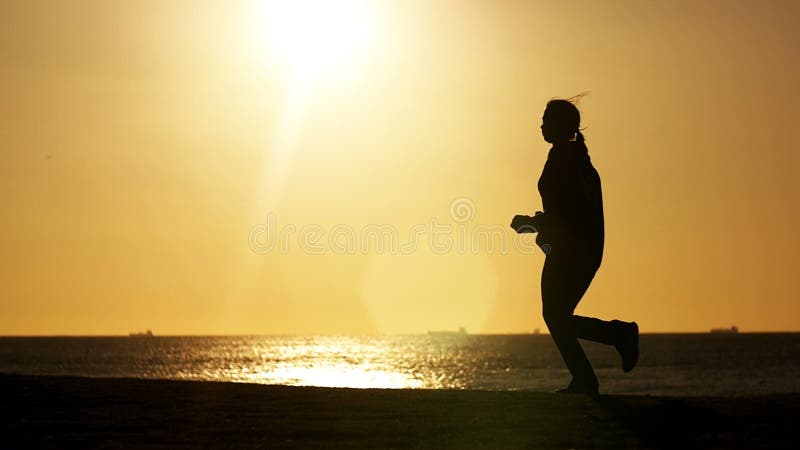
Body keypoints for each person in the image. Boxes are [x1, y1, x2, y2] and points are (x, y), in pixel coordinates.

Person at [511, 98, 639, 396]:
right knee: (557, 314)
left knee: (555, 315)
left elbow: (570, 213)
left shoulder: (566, 158)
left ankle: (595, 366)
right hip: (575, 249)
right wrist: (540, 226)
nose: (541, 124)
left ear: (561, 125)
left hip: (574, 250)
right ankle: (610, 344)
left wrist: (532, 222)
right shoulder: (569, 156)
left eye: (546, 118)